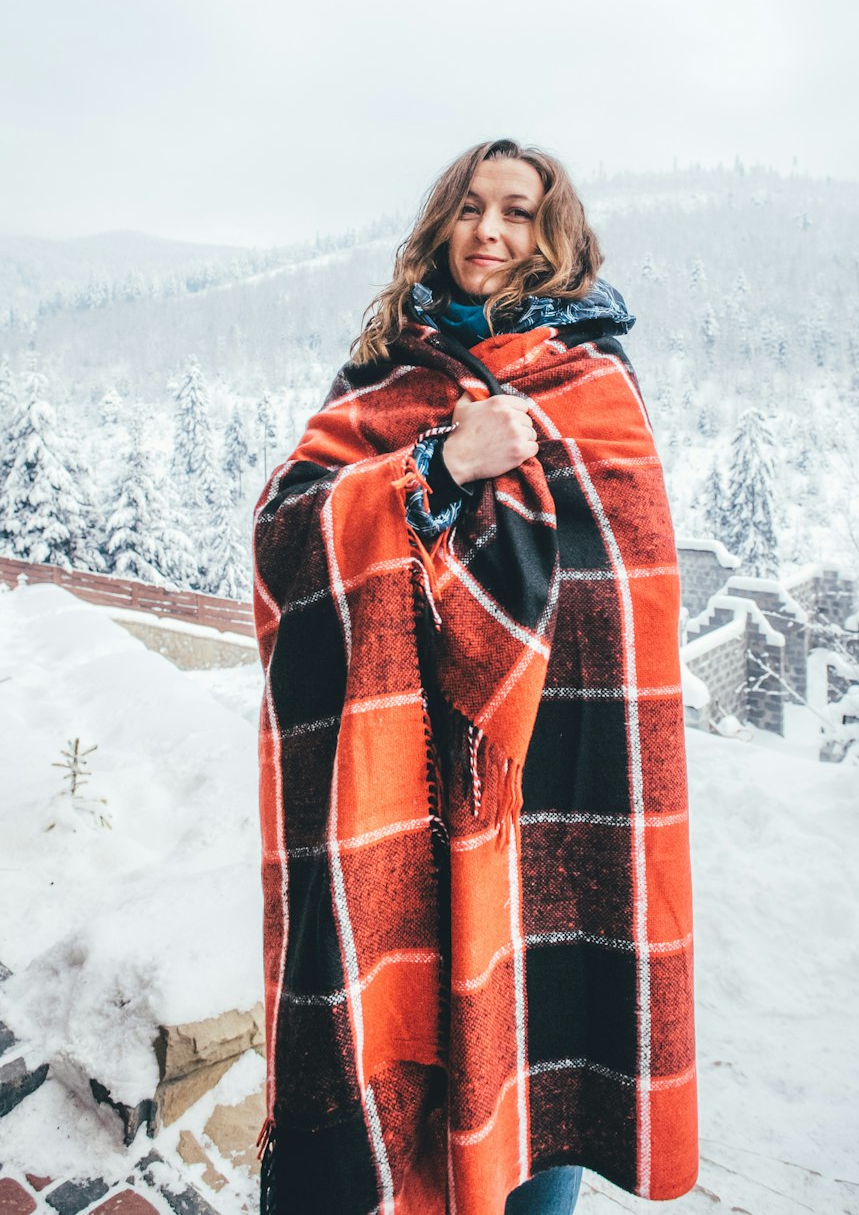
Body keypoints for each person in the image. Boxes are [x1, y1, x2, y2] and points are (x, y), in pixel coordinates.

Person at [252, 139, 698, 1215]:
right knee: (400, 1036)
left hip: (549, 795)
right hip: (403, 784)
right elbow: (282, 539)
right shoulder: (383, 379)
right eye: (470, 210)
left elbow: (622, 597)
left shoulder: (592, 388)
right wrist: (438, 468)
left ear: (555, 238)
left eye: (517, 214)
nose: (489, 232)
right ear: (440, 224)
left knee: (544, 1054)